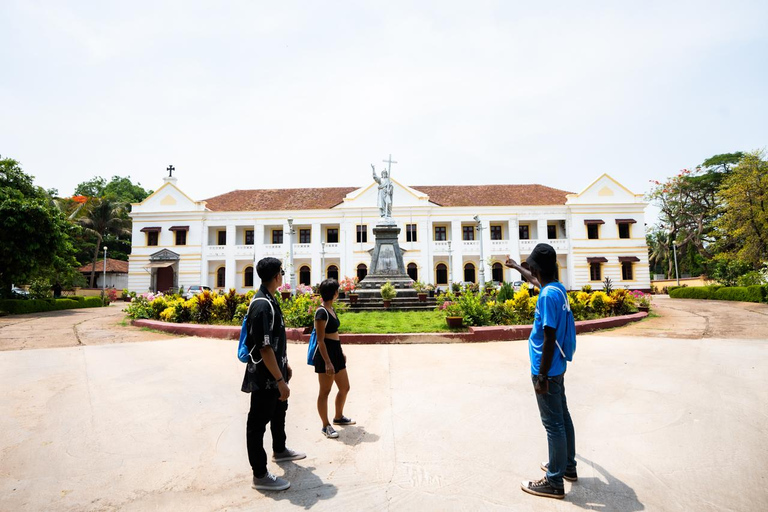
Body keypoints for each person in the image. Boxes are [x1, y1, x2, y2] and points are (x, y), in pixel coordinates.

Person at [506, 244, 577, 500]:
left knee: (553, 424)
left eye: (530, 266)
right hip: (558, 365)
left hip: (546, 367)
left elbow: (549, 337)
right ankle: (567, 465)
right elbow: (536, 281)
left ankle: (554, 481)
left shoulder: (547, 296)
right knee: (563, 417)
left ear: (536, 267)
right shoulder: (557, 289)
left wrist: (541, 376)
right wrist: (516, 267)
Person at [242, 257, 306, 491]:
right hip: (265, 378)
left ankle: (280, 450)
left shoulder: (269, 299)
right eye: (281, 271)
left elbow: (275, 343)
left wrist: (284, 366)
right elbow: (264, 347)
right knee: (257, 424)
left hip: (276, 371)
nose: (283, 274)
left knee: (279, 412)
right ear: (277, 275)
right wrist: (279, 380)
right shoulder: (261, 304)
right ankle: (260, 474)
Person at [312, 278, 354, 439]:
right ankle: (325, 425)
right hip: (325, 355)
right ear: (334, 293)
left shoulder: (331, 309)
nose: (339, 292)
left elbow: (335, 334)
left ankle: (338, 417)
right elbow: (320, 340)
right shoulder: (321, 312)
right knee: (325, 391)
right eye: (337, 290)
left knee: (345, 387)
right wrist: (328, 362)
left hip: (335, 352)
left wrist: (340, 351)